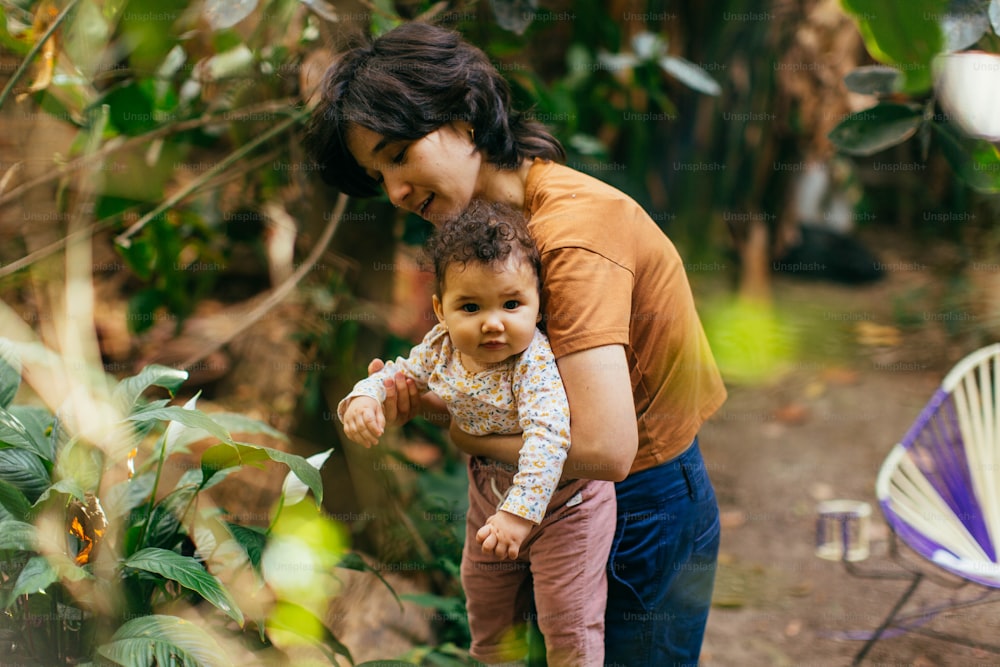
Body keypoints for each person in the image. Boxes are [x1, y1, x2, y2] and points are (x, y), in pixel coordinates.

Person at [304, 21, 728, 666]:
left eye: (398, 154)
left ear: (466, 119)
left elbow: (606, 449)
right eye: (377, 172)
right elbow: (532, 389)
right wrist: (430, 400)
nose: (394, 192)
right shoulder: (497, 234)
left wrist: (465, 435)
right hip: (540, 500)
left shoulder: (572, 235)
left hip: (635, 507)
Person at [337, 200, 616, 666]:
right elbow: (397, 373)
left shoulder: (533, 365)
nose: (493, 322)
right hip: (489, 492)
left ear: (537, 303)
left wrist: (519, 515)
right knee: (488, 614)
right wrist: (364, 398)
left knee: (567, 625)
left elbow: (549, 437)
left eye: (512, 304)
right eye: (470, 306)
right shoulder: (440, 347)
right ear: (439, 309)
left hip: (565, 506)